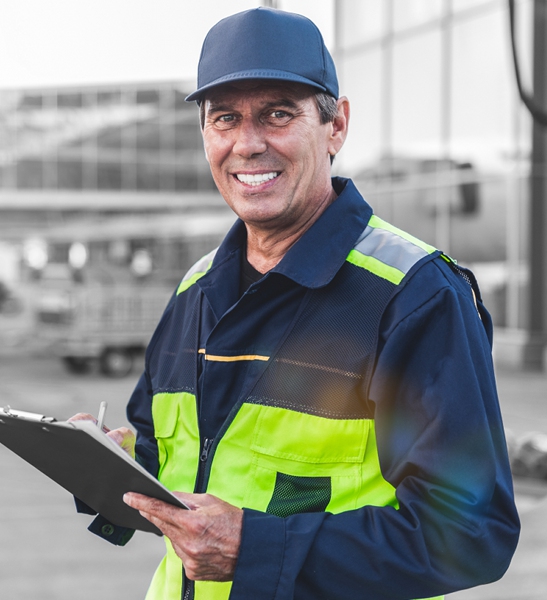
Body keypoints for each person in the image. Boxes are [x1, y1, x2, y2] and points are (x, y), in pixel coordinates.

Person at [73, 7, 520, 599]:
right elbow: (175, 469)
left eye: (278, 114)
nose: (248, 144)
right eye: (224, 119)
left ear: (336, 127)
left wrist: (254, 548)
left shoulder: (414, 297)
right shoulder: (195, 292)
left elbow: (471, 532)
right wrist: (107, 467)